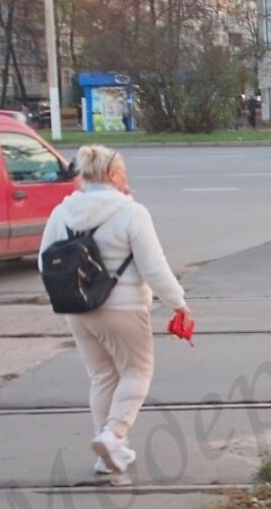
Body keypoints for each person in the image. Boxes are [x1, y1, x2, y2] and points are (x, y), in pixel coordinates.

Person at [39, 145, 191, 483]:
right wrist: (178, 302)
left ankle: (107, 458)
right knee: (137, 372)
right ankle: (113, 436)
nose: (127, 179)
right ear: (113, 175)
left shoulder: (61, 212)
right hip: (123, 308)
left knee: (103, 377)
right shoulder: (131, 212)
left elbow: (43, 262)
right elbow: (153, 267)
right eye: (124, 173)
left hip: (77, 309)